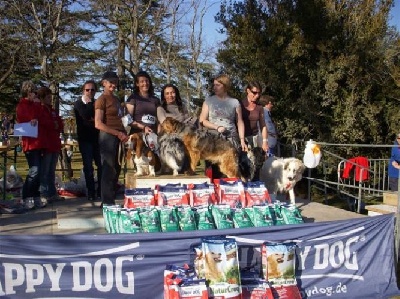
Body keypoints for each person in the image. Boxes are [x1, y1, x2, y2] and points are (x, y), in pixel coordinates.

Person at [199, 74, 247, 179]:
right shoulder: (209, 101)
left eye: (218, 85)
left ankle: (232, 192)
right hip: (213, 138)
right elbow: (202, 120)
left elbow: (239, 121)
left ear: (225, 86)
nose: (214, 87)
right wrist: (216, 127)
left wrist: (242, 140)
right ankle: (214, 192)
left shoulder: (235, 102)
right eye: (214, 85)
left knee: (231, 168)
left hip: (231, 137)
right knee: (214, 169)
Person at [95, 71, 129, 206]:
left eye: (115, 82)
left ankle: (111, 199)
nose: (114, 85)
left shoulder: (116, 100)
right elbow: (98, 123)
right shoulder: (101, 100)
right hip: (108, 136)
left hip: (119, 136)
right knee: (108, 169)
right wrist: (116, 133)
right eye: (111, 82)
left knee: (117, 168)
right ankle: (107, 202)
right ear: (104, 83)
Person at [16, 81, 46, 209]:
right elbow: (24, 119)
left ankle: (36, 195)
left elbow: (41, 116)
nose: (36, 95)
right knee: (34, 170)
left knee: (39, 172)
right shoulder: (22, 106)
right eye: (34, 92)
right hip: (30, 143)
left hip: (39, 142)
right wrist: (32, 119)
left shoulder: (36, 105)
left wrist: (39, 106)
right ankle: (26, 196)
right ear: (29, 93)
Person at [74, 80, 102, 201]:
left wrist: (93, 117)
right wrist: (90, 107)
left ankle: (100, 190)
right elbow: (85, 115)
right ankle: (91, 192)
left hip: (97, 139)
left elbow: (99, 118)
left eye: (92, 90)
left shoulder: (98, 103)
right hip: (85, 140)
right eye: (87, 90)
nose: (90, 92)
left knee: (101, 165)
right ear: (83, 90)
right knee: (88, 167)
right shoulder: (78, 103)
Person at [37, 86, 65, 204]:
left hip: (55, 143)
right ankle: (43, 193)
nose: (50, 99)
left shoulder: (52, 110)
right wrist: (53, 124)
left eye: (51, 97)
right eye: (48, 97)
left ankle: (52, 193)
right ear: (42, 98)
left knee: (52, 171)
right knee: (45, 171)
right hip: (46, 144)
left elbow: (59, 123)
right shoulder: (40, 109)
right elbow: (44, 123)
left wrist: (56, 124)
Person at [241, 81, 268, 152]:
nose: (257, 96)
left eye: (259, 93)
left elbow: (263, 125)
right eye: (254, 93)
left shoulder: (259, 107)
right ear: (248, 91)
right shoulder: (239, 104)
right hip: (241, 139)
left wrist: (265, 141)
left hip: (255, 139)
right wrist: (241, 139)